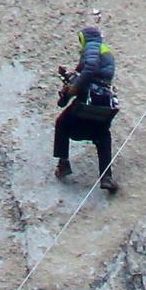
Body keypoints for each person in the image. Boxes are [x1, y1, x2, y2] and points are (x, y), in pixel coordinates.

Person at [53, 25, 119, 193]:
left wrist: (70, 92)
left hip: (89, 100)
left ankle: (64, 163)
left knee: (62, 123)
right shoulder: (106, 52)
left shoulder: (92, 47)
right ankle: (106, 177)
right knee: (103, 135)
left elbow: (87, 71)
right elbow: (85, 75)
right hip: (104, 103)